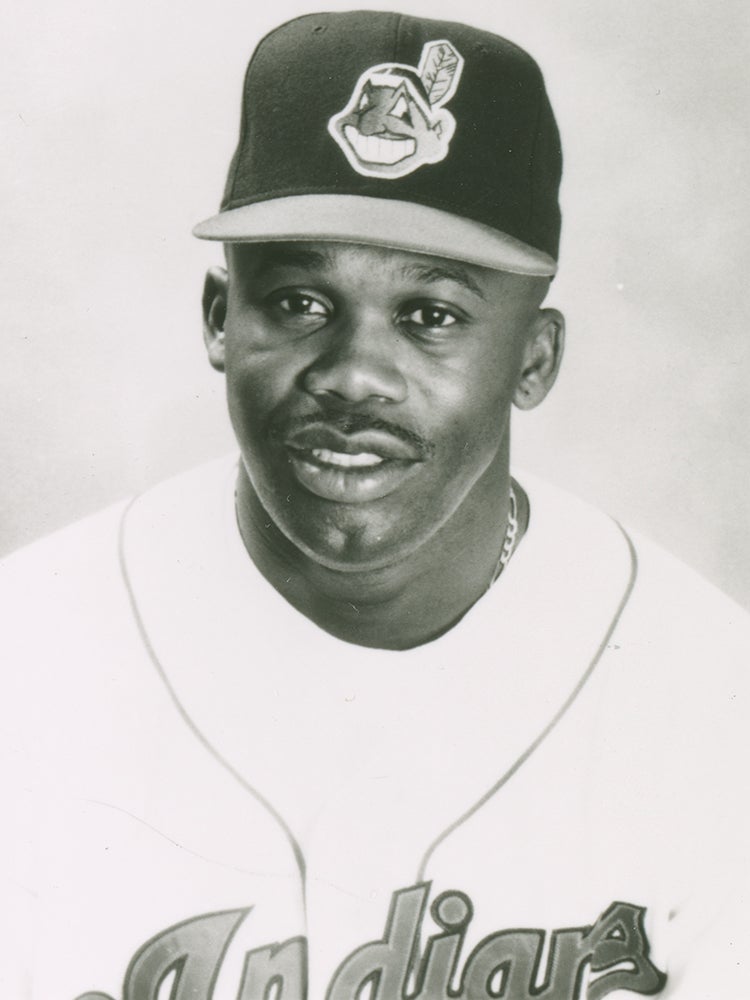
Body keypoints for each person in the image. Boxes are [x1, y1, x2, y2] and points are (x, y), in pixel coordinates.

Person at [1, 10, 749, 1000]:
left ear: (534, 360)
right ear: (220, 319)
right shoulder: (30, 651)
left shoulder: (710, 697)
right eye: (299, 302)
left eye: (430, 315)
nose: (354, 375)